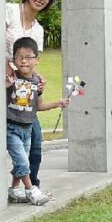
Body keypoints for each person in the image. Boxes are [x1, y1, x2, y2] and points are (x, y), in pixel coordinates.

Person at [4, 0, 57, 193]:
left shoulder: (38, 30)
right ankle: (28, 188)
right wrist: (6, 67)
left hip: (24, 94)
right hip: (2, 87)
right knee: (12, 140)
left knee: (34, 144)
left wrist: (38, 79)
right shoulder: (8, 11)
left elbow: (32, 63)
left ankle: (29, 187)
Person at [6, 37, 69, 206]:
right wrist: (6, 85)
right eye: (19, 57)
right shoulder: (10, 78)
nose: (24, 60)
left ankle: (13, 190)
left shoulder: (37, 82)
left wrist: (58, 103)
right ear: (14, 59)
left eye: (28, 57)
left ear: (37, 60)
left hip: (27, 128)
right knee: (22, 161)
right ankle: (31, 190)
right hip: (11, 127)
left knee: (22, 161)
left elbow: (38, 106)